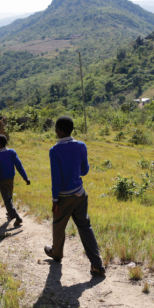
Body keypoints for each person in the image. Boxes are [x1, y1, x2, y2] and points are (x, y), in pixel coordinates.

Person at [44, 116, 106, 277]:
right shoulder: (81, 146)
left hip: (64, 197)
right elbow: (84, 171)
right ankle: (97, 265)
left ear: (59, 130)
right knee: (85, 227)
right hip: (80, 193)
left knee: (58, 225)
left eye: (56, 128)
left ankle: (56, 253)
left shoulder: (54, 150)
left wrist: (55, 200)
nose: (55, 130)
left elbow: (56, 179)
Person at [0, 134, 30, 226]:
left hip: (2, 180)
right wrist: (25, 178)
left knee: (7, 200)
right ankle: (10, 212)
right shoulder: (12, 152)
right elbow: (19, 166)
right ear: (6, 143)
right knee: (9, 197)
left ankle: (17, 218)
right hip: (11, 179)